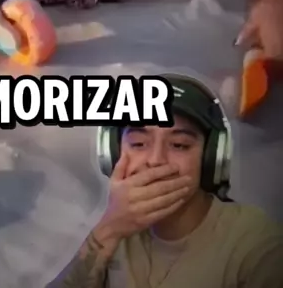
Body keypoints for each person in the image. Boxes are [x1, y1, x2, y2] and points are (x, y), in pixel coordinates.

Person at [48, 74, 283, 287]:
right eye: (139, 143)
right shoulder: (114, 228)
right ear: (113, 153)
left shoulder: (256, 244)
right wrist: (108, 230)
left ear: (211, 157)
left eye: (179, 145)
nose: (155, 160)